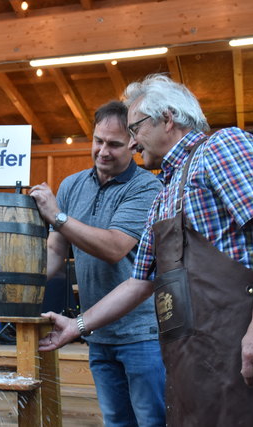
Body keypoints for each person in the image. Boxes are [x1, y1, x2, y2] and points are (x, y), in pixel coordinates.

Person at [39, 74, 253, 425]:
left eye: (134, 129)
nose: (132, 143)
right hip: (193, 355)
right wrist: (77, 324)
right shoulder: (164, 195)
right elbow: (140, 283)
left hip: (243, 341)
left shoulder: (223, 146)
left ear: (167, 118)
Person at [29, 100, 165, 426]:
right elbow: (55, 253)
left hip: (142, 333)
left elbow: (115, 247)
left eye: (114, 144)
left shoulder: (147, 187)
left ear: (134, 143)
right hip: (97, 331)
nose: (103, 151)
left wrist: (57, 216)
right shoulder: (72, 185)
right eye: (98, 140)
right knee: (116, 420)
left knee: (153, 421)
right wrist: (14, 282)